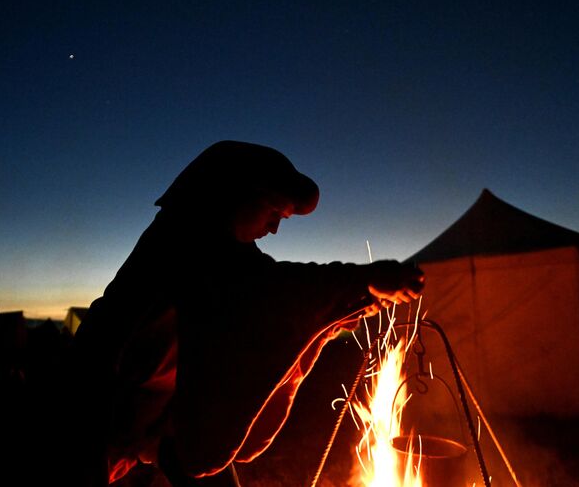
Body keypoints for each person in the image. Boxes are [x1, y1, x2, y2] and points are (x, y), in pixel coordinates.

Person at [62, 140, 424, 487]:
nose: (275, 228)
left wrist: (353, 300)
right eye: (273, 213)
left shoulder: (227, 251)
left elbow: (273, 285)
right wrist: (363, 282)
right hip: (93, 411)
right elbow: (271, 292)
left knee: (187, 457)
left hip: (151, 420)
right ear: (236, 196)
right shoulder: (187, 240)